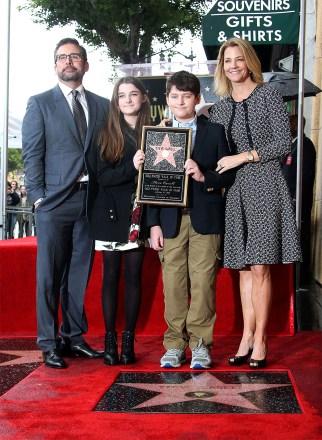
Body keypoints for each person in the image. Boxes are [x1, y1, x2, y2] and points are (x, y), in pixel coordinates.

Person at [209, 37, 302, 369]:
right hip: (235, 193)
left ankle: (261, 338)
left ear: (249, 61)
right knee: (245, 271)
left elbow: (282, 143)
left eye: (239, 59)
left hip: (265, 184)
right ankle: (246, 336)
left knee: (261, 267)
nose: (233, 66)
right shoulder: (219, 107)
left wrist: (243, 157)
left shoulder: (268, 95)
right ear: (222, 67)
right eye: (227, 61)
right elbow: (212, 151)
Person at [22, 37, 110, 369]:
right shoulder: (40, 103)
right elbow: (32, 155)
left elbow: (110, 150)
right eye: (62, 57)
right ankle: (48, 343)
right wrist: (38, 197)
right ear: (55, 65)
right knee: (49, 276)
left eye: (74, 56)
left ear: (85, 64)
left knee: (78, 274)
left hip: (90, 201)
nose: (68, 62)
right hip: (53, 203)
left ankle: (73, 337)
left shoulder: (102, 104)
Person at [147, 71, 235, 369]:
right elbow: (151, 184)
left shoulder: (215, 131)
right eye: (174, 96)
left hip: (205, 217)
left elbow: (228, 173)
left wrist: (203, 176)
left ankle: (200, 344)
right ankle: (174, 343)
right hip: (170, 219)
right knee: (172, 283)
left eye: (187, 96)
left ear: (198, 99)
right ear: (167, 100)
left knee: (203, 282)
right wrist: (153, 223)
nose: (180, 101)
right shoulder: (158, 134)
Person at [88, 77, 149, 365]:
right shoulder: (106, 132)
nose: (127, 100)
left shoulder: (155, 132)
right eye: (121, 95)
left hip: (139, 215)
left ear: (144, 98)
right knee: (111, 278)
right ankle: (109, 341)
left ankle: (128, 342)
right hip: (111, 214)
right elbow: (102, 178)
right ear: (116, 101)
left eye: (133, 94)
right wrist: (132, 167)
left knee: (134, 278)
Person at [282, 115, 316, 284]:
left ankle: (301, 277)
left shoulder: (305, 146)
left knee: (300, 238)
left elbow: (304, 175)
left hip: (298, 203)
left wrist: (296, 197)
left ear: (297, 125)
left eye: (289, 123)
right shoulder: (293, 145)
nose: (287, 126)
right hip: (289, 201)